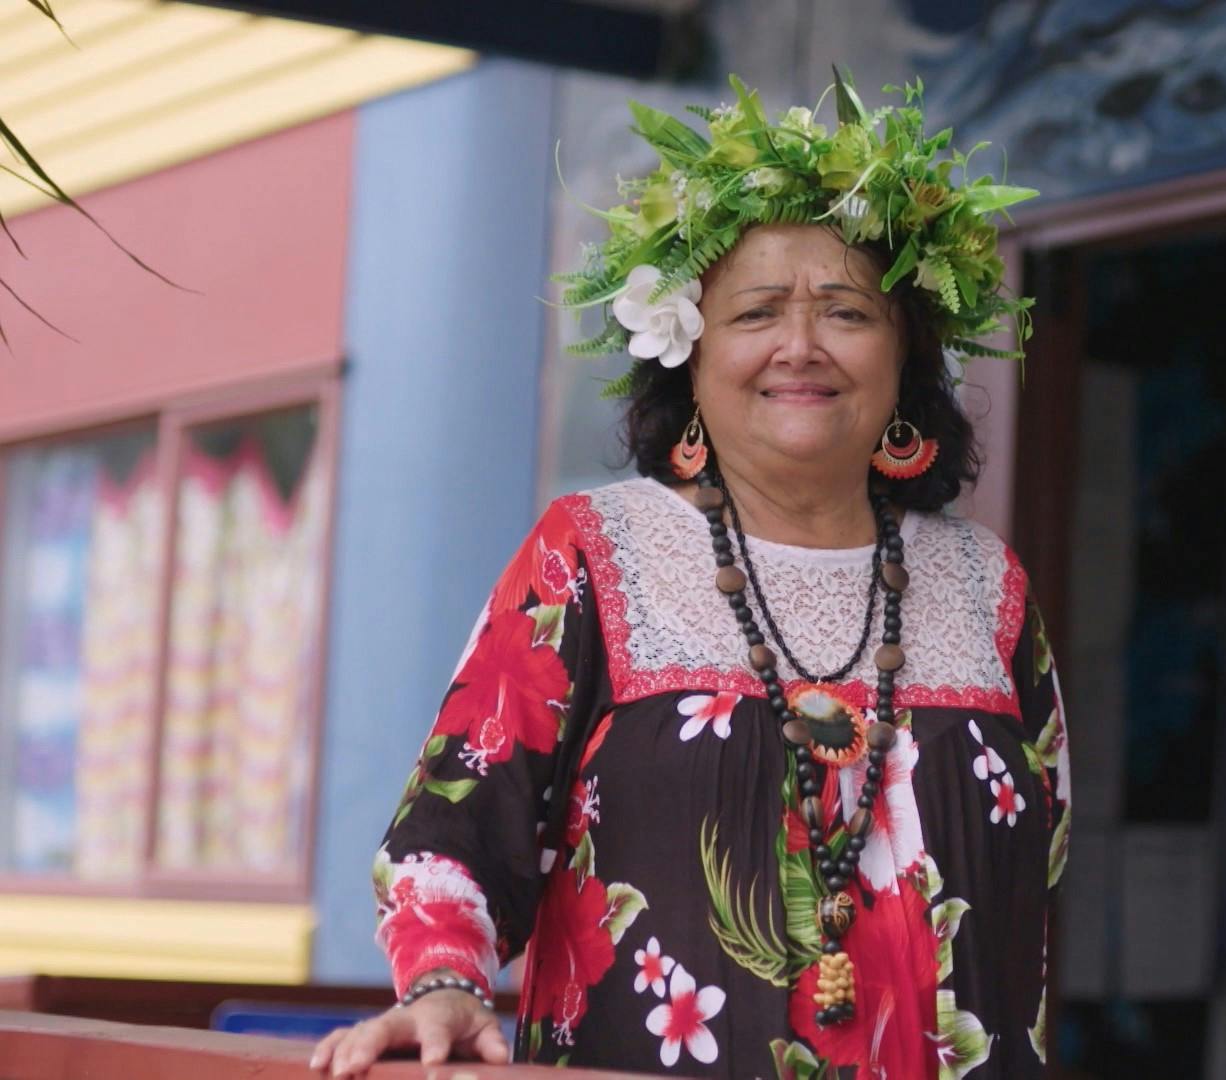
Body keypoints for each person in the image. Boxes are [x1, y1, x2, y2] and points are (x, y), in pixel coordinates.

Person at [310, 71, 1070, 1079]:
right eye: (756, 312)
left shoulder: (989, 587)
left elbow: (1040, 891)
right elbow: (457, 817)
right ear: (690, 354)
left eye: (845, 311)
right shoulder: (591, 552)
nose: (799, 347)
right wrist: (443, 980)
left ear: (905, 356)